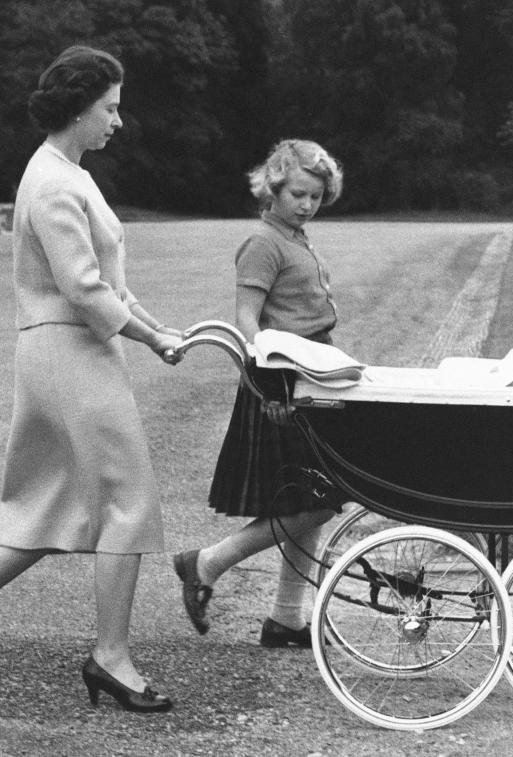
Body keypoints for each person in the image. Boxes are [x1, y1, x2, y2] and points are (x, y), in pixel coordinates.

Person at [0, 45, 183, 713]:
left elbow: (109, 283)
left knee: (47, 503)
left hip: (72, 351)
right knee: (128, 502)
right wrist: (147, 336)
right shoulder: (54, 181)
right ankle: (111, 657)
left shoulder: (69, 172)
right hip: (69, 354)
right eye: (110, 108)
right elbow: (84, 291)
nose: (118, 120)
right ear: (80, 109)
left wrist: (155, 327)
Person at [173, 139, 347, 647]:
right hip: (278, 384)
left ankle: (287, 618)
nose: (306, 204)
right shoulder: (264, 243)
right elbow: (247, 320)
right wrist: (270, 380)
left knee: (311, 494)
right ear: (273, 187)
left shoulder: (298, 237)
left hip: (310, 377)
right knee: (315, 499)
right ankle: (206, 564)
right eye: (297, 193)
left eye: (315, 196)